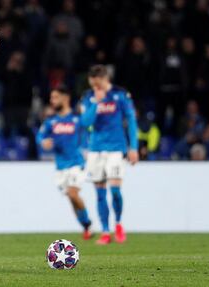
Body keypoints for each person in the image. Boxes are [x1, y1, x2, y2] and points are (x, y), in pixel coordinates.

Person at [80, 65, 139, 245]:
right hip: (96, 149)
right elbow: (85, 122)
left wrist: (133, 147)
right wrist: (96, 102)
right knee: (99, 193)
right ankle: (105, 231)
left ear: (105, 79)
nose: (95, 88)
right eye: (93, 85)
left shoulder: (121, 95)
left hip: (116, 148)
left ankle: (119, 224)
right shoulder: (88, 97)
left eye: (98, 85)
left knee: (115, 191)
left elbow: (131, 120)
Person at [36, 86, 92, 240]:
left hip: (76, 163)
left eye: (55, 97)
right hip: (61, 166)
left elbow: (88, 132)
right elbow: (40, 137)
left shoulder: (77, 118)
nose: (52, 100)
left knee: (73, 193)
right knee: (71, 197)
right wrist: (43, 142)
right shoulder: (51, 121)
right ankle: (85, 227)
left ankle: (88, 223)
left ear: (65, 98)